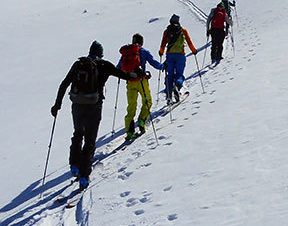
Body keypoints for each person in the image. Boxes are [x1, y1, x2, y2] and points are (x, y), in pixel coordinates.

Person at [51, 41, 139, 190]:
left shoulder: (79, 64)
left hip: (77, 105)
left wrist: (57, 104)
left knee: (78, 133)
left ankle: (74, 165)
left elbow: (64, 83)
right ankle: (84, 177)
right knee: (90, 140)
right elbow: (126, 75)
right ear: (101, 53)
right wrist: (138, 73)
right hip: (94, 106)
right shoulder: (104, 65)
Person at [118, 33, 165, 141]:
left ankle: (129, 133)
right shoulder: (143, 51)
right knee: (148, 101)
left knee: (131, 107)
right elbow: (153, 63)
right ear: (142, 42)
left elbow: (119, 67)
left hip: (130, 82)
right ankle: (142, 121)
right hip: (141, 80)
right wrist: (163, 66)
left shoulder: (126, 53)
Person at [159, 14, 197, 104]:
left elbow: (163, 44)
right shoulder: (183, 30)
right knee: (179, 74)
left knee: (170, 75)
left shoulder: (166, 31)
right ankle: (177, 86)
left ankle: (169, 94)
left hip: (170, 55)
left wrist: (161, 52)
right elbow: (189, 41)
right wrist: (194, 51)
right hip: (180, 55)